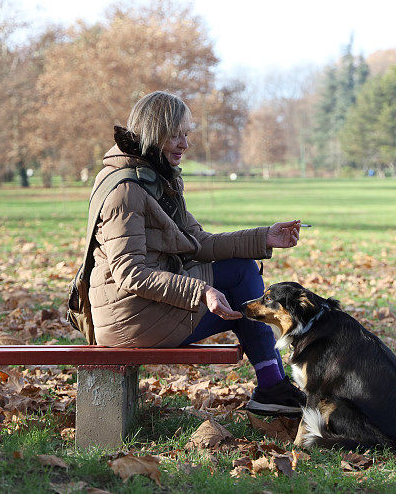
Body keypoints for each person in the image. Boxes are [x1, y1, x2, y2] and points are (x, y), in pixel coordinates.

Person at [88, 91, 304, 416]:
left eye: (186, 134)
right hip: (130, 319)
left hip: (142, 311)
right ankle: (272, 386)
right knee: (242, 282)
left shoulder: (154, 180)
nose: (184, 144)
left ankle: (273, 386)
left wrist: (265, 237)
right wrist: (201, 290)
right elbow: (130, 273)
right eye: (175, 134)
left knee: (243, 272)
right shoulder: (127, 190)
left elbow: (199, 243)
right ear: (153, 132)